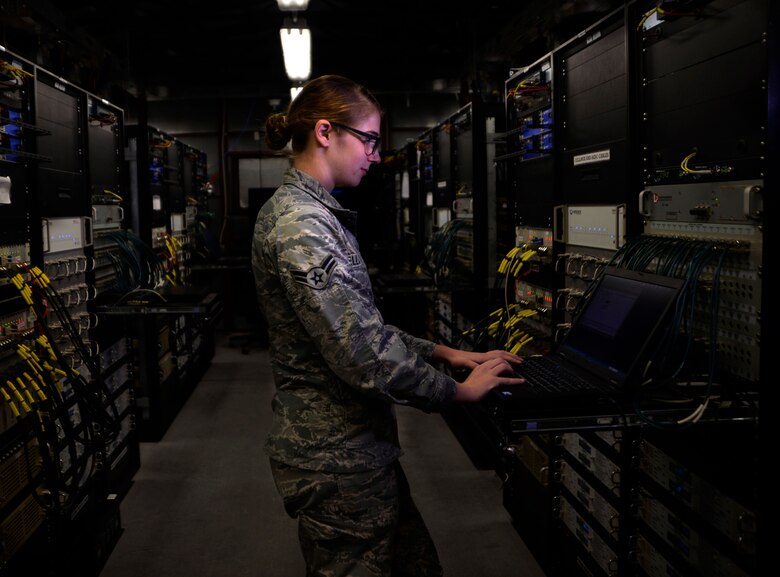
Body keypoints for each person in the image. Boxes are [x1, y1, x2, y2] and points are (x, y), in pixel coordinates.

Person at [251, 74, 525, 577]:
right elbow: (361, 353)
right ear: (326, 132)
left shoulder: (317, 215)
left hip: (356, 448)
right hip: (335, 459)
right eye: (370, 140)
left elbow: (361, 324)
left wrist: (441, 353)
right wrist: (457, 393)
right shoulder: (302, 225)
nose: (376, 155)